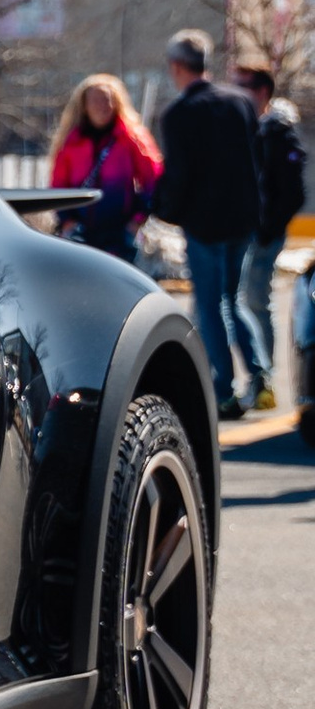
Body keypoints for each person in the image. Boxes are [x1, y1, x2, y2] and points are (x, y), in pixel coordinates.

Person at [152, 28, 267, 419]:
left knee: (211, 304)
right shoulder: (241, 102)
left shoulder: (179, 114)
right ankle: (259, 375)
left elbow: (179, 175)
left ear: (176, 66)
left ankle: (224, 388)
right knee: (233, 300)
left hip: (204, 223)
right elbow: (257, 159)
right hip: (243, 219)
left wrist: (164, 208)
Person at [237, 64, 307, 415]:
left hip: (264, 235)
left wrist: (268, 228)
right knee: (242, 302)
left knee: (252, 300)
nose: (237, 91)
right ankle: (259, 376)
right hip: (243, 231)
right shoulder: (248, 127)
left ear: (261, 91)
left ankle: (267, 375)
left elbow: (293, 191)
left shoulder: (278, 131)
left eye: (244, 86)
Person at [43, 74, 161, 267]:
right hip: (81, 234)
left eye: (107, 99)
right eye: (95, 100)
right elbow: (57, 187)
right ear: (84, 106)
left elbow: (153, 180)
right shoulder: (71, 142)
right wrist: (67, 222)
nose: (102, 106)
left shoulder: (131, 139)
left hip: (120, 233)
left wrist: (137, 220)